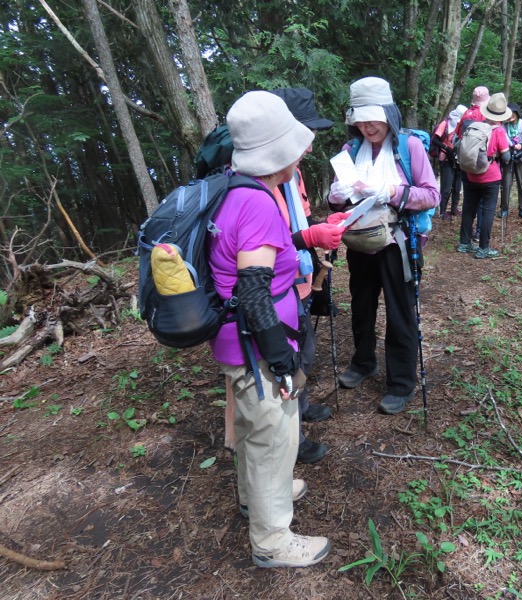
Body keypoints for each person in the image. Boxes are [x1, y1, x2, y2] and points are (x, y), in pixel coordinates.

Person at [209, 90, 330, 568]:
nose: (304, 151)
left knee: (255, 430)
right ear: (279, 152)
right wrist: (283, 363)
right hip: (255, 344)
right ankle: (272, 540)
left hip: (236, 339)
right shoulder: (258, 205)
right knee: (271, 437)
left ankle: (255, 497)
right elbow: (255, 294)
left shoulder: (231, 186)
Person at [328, 76, 439, 415]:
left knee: (400, 312)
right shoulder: (349, 152)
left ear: (389, 115)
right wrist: (336, 196)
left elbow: (432, 194)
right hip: (360, 242)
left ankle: (401, 382)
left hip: (398, 243)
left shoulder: (409, 148)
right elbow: (337, 198)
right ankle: (363, 363)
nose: (367, 126)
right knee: (361, 307)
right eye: (360, 119)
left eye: (373, 118)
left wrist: (393, 192)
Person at [268, 87, 341, 464]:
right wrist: (308, 236)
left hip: (299, 279)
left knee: (304, 351)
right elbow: (269, 241)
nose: (310, 147)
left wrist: (322, 230)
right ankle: (290, 439)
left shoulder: (292, 174)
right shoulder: (263, 180)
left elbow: (301, 218)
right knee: (291, 359)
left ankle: (302, 405)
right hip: (276, 289)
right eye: (304, 136)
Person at [457, 92, 511, 259]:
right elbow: (507, 157)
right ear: (501, 115)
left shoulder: (475, 126)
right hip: (490, 178)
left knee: (468, 208)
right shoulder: (499, 131)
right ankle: (483, 248)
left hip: (471, 175)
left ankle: (464, 243)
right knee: (487, 211)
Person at [454, 86, 491, 242]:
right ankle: (479, 234)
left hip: (465, 164)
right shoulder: (486, 115)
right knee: (483, 201)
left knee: (469, 202)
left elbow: (456, 138)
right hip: (482, 164)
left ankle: (465, 238)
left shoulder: (466, 115)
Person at [430, 104, 467, 220]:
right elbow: (434, 140)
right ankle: (442, 211)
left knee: (457, 186)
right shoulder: (445, 124)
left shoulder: (463, 125)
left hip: (458, 158)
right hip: (446, 158)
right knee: (446, 186)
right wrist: (446, 148)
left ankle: (454, 209)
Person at [500, 103, 522, 219]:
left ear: (517, 113)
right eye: (508, 114)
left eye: (512, 113)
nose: (510, 116)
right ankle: (504, 209)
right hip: (508, 158)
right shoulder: (503, 126)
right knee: (506, 184)